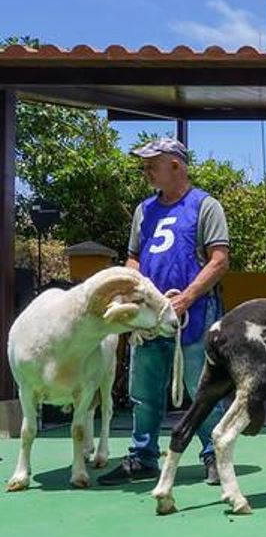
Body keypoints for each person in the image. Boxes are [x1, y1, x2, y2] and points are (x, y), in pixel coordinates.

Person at [100, 137, 230, 486]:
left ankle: (214, 454)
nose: (145, 171)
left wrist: (185, 298)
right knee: (144, 389)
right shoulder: (144, 210)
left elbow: (218, 261)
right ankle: (143, 456)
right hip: (149, 317)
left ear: (175, 165)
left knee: (200, 387)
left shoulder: (205, 206)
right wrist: (129, 293)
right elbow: (135, 257)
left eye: (151, 165)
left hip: (194, 315)